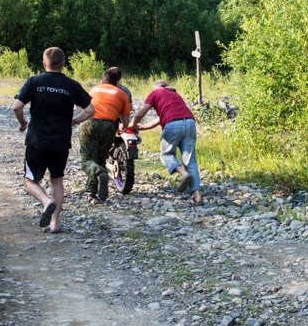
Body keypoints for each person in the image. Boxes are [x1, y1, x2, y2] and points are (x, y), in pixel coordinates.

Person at [12, 47, 95, 233]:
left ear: (44, 63)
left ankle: (46, 201)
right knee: (57, 181)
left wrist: (23, 122)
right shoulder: (72, 85)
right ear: (63, 63)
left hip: (37, 141)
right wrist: (74, 120)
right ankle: (55, 224)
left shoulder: (35, 81)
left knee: (31, 181)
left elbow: (17, 106)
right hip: (60, 142)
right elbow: (90, 110)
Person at [131, 80, 202, 206]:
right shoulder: (175, 95)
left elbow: (142, 111)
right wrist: (140, 128)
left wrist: (133, 124)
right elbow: (158, 120)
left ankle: (183, 174)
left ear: (156, 87)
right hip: (190, 123)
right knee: (190, 160)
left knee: (166, 155)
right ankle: (197, 196)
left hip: (173, 125)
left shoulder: (155, 92)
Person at [79, 68, 132, 204]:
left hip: (89, 123)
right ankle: (92, 192)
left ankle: (94, 187)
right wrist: (121, 129)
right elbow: (125, 122)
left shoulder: (94, 89)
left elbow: (84, 108)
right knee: (100, 158)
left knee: (88, 160)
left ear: (102, 81)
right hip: (108, 126)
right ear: (117, 82)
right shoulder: (122, 93)